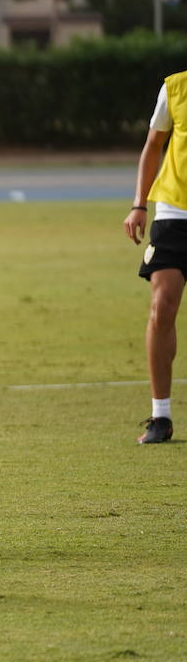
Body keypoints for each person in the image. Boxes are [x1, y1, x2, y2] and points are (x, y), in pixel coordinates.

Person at [125, 69, 187, 444]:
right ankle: (160, 416)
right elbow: (153, 145)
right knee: (162, 306)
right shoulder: (175, 87)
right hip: (174, 212)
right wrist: (139, 204)